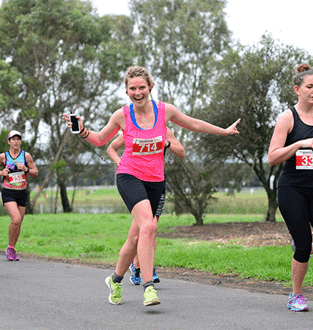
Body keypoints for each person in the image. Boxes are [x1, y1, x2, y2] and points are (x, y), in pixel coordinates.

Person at [63, 65, 240, 306]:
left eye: (142, 87)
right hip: (129, 175)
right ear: (127, 91)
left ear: (150, 87)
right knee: (149, 226)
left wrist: (225, 131)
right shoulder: (122, 115)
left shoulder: (165, 111)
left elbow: (195, 124)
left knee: (136, 236)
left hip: (156, 180)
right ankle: (148, 287)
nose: (138, 92)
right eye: (132, 88)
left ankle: (115, 280)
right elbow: (100, 139)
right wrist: (81, 129)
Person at [267, 64, 313, 312]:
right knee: (302, 242)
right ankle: (295, 296)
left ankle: (304, 249)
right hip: (292, 190)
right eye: (310, 87)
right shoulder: (287, 118)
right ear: (297, 89)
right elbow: (273, 157)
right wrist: (298, 143)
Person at [107, 128, 185, 286]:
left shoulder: (164, 130)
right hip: (136, 184)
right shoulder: (133, 129)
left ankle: (142, 266)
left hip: (156, 183)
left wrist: (167, 143)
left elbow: (181, 152)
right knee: (141, 232)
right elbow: (111, 147)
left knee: (151, 229)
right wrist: (121, 164)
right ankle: (137, 267)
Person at [0, 130, 38, 261]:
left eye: (18, 139)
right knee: (16, 219)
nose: (16, 141)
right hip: (8, 192)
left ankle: (11, 248)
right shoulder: (3, 157)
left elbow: (35, 172)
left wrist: (25, 169)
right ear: (9, 141)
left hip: (22, 192)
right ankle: (10, 248)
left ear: (20, 141)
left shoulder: (26, 156)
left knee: (19, 223)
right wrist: (1, 172)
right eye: (13, 139)